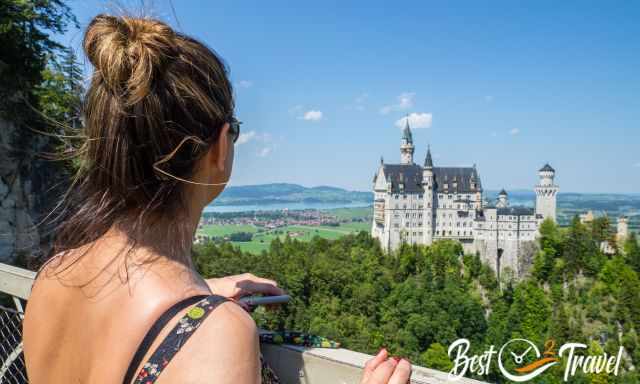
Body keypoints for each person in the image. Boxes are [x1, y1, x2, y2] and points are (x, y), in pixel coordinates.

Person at [22, 14, 412, 384]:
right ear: (221, 146)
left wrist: (196, 295)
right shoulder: (216, 335)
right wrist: (199, 314)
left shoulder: (52, 277)